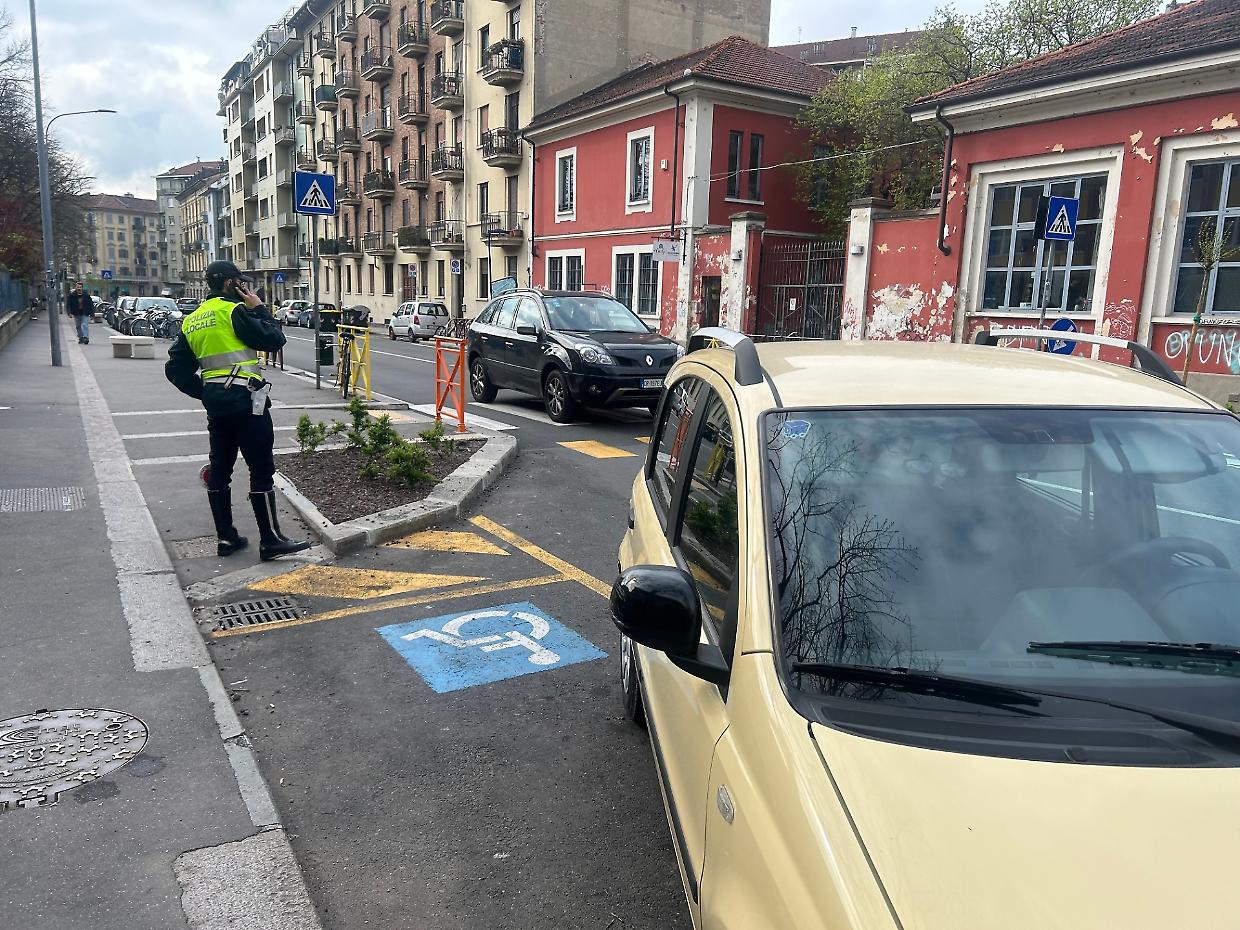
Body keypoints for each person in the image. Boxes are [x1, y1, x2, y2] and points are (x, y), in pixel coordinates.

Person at [165, 260, 310, 561]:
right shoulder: (234, 311)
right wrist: (259, 308)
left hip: (217, 407)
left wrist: (205, 392)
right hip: (247, 403)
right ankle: (270, 540)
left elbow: (175, 369)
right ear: (232, 284)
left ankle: (226, 538)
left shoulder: (192, 319)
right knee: (261, 469)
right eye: (241, 283)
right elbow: (274, 339)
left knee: (220, 469)